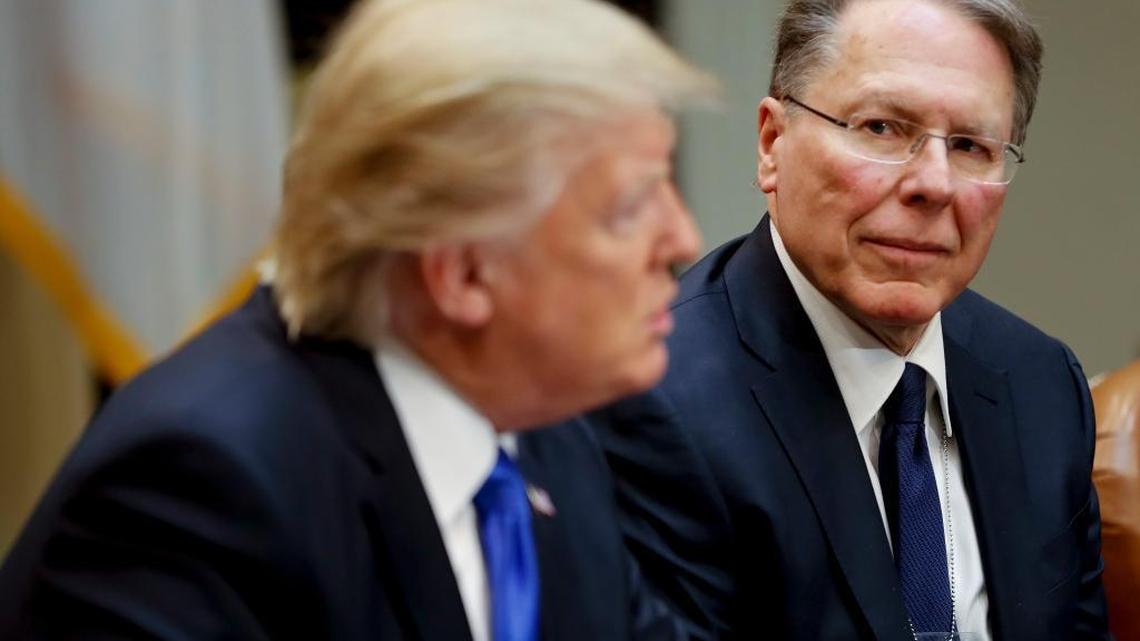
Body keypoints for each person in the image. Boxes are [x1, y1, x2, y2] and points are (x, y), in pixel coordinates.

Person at [0, 0, 715, 639]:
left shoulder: (543, 427)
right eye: (630, 208)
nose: (683, 239)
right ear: (462, 273)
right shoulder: (199, 488)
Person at [585, 1, 1110, 640]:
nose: (935, 184)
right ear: (773, 143)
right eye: (883, 128)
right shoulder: (652, 400)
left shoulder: (1041, 382)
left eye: (971, 145)